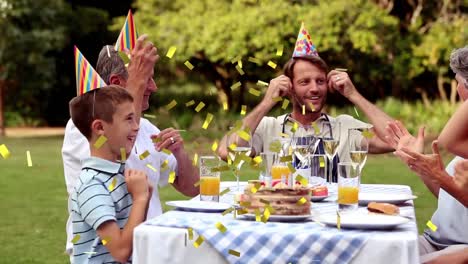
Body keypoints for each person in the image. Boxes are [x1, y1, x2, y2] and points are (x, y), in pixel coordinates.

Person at [62, 36, 200, 258]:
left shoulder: (145, 127)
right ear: (117, 83)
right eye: (147, 79)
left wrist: (180, 154)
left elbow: (192, 188)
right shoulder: (83, 128)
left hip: (150, 250)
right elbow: (119, 158)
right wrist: (136, 82)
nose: (153, 87)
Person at [218, 30, 394, 182]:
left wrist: (353, 95)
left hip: (334, 219)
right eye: (304, 82)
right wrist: (266, 103)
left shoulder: (345, 127)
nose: (315, 88)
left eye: (320, 81)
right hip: (284, 216)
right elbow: (227, 152)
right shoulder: (269, 128)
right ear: (290, 87)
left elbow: (394, 140)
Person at [384, 46, 468, 264]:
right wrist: (420, 165)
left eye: (458, 81)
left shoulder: (459, 143)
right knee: (369, 250)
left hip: (460, 249)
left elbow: (448, 140)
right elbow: (450, 198)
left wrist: (441, 177)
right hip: (433, 239)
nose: (457, 89)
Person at [69, 85, 150, 263]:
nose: (136, 127)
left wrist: (145, 196)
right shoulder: (92, 185)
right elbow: (121, 252)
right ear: (99, 128)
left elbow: (134, 236)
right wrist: (140, 198)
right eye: (129, 119)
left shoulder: (118, 174)